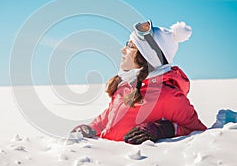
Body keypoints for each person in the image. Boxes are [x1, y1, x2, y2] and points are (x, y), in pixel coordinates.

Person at [71, 20, 207, 145]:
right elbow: (108, 116)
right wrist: (91, 128)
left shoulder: (169, 95)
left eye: (130, 46)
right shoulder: (126, 85)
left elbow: (197, 130)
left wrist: (163, 129)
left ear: (146, 55)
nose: (123, 50)